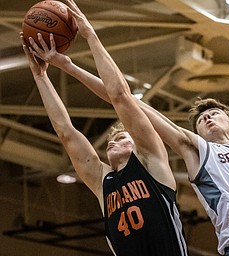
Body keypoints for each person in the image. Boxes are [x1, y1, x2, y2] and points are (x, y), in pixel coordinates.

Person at [24, 1, 229, 255]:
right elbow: (122, 100)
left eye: (214, 113)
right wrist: (62, 68)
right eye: (200, 120)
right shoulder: (198, 149)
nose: (206, 119)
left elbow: (121, 98)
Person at [20, 4, 188, 256]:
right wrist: (40, 76)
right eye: (112, 139)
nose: (112, 142)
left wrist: (90, 35)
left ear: (137, 145)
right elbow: (65, 131)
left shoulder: (152, 162)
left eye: (121, 137)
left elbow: (120, 96)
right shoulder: (102, 183)